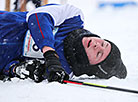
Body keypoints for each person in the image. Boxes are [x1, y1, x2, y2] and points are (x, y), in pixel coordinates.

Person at [0, 4, 127, 83]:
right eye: (104, 44)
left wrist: (19, 69)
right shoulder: (74, 18)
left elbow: (9, 69)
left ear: (91, 66)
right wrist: (49, 51)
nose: (97, 45)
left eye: (98, 54)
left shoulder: (61, 71)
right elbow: (38, 16)